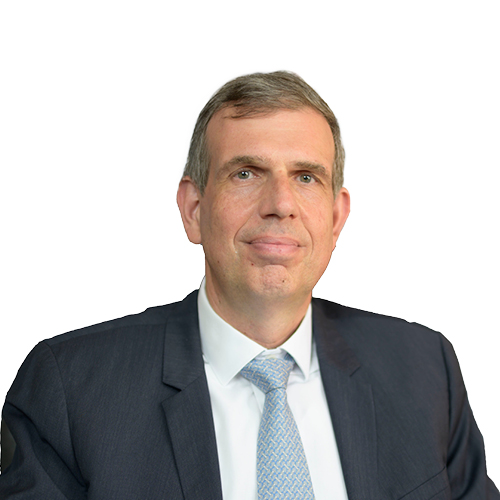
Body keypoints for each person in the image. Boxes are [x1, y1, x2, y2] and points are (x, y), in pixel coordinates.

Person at [0, 71, 498, 500]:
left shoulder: (425, 370)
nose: (280, 203)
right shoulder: (70, 390)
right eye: (246, 173)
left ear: (335, 218)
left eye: (306, 177)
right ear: (194, 209)